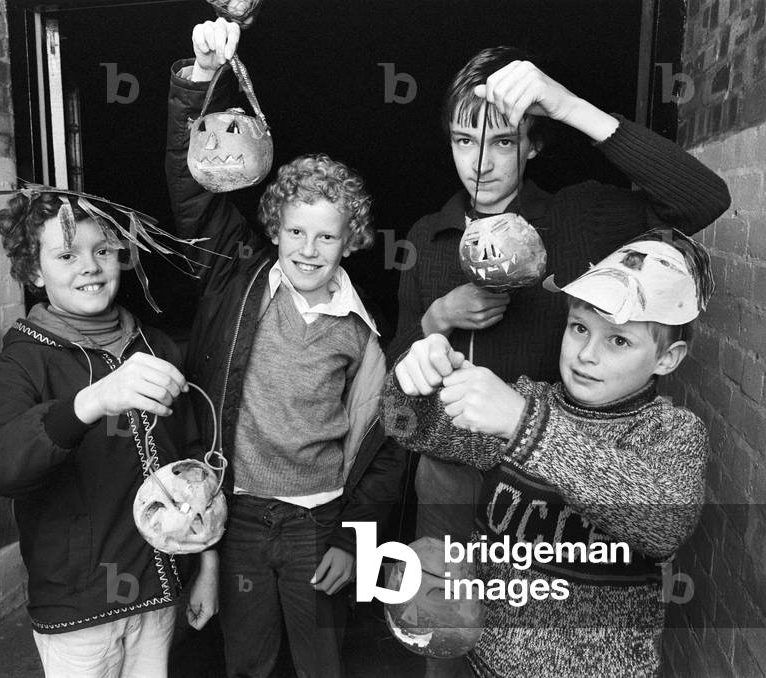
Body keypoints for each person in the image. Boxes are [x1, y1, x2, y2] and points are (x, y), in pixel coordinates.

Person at [387, 47, 730, 677]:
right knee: (444, 629)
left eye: (503, 141)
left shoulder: (580, 215)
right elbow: (400, 377)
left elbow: (703, 199)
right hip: (453, 466)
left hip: (563, 468)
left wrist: (569, 106)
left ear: (534, 144)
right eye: (465, 140)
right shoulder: (425, 237)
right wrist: (434, 323)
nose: (482, 163)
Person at [164, 19, 405, 678]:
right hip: (240, 515)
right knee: (245, 660)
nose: (306, 249)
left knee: (322, 662)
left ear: (349, 240)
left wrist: (357, 539)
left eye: (324, 238)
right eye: (294, 231)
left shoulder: (363, 330)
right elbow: (191, 189)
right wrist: (198, 80)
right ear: (273, 226)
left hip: (318, 524)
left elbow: (386, 446)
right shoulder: (235, 276)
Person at [384, 229, 715, 677]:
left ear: (667, 358)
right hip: (487, 663)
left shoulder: (671, 433)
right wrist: (414, 381)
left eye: (618, 340)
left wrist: (525, 424)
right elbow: (412, 429)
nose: (586, 355)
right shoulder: (528, 399)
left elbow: (662, 523)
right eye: (580, 328)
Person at [0, 191, 217, 678]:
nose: (89, 266)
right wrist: (92, 401)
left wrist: (207, 566)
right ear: (34, 272)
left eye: (102, 250)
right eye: (66, 255)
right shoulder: (26, 356)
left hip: (160, 589)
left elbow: (194, 464)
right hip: (80, 606)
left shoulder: (157, 345)